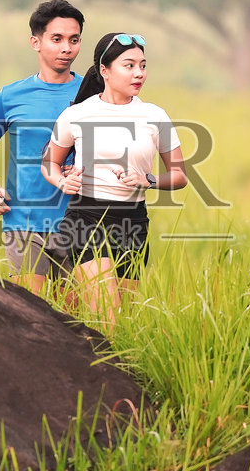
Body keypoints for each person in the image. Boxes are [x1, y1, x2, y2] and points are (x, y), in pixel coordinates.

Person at [42, 32, 186, 334]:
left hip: (133, 222)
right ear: (104, 71)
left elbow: (179, 176)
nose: (139, 73)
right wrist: (61, 182)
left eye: (143, 66)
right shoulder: (77, 114)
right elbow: (49, 163)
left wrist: (150, 179)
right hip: (86, 217)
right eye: (129, 65)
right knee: (108, 317)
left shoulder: (155, 116)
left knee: (122, 328)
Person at [0, 0, 84, 294]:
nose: (66, 48)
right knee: (31, 313)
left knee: (76, 318)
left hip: (80, 220)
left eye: (74, 40)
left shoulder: (93, 95)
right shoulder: (11, 97)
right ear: (36, 42)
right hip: (23, 219)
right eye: (56, 39)